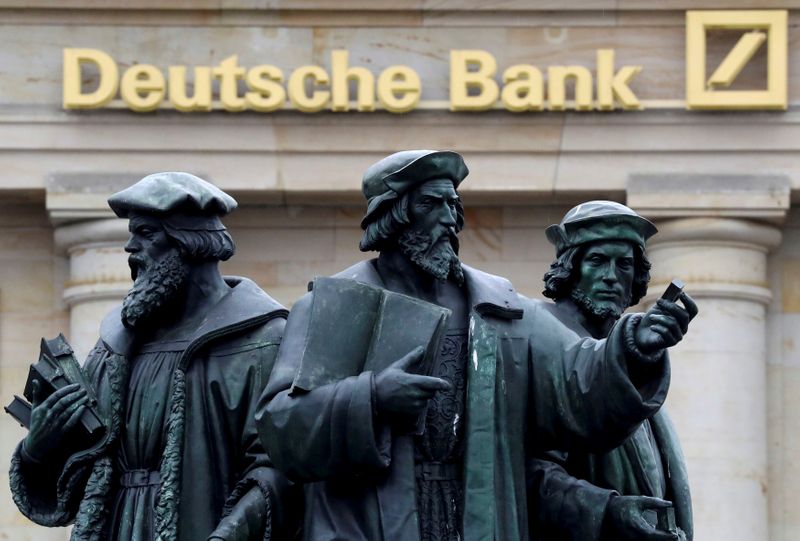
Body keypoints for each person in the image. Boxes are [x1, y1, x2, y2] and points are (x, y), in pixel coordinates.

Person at [256, 150, 697, 541]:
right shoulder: (334, 306)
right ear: (392, 215)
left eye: (454, 205)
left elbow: (576, 381)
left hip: (477, 518)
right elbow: (282, 429)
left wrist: (633, 346)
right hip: (368, 524)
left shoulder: (497, 309)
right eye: (431, 204)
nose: (449, 220)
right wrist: (373, 398)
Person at [10, 172, 299, 541]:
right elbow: (78, 483)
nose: (130, 247)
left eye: (146, 233)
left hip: (204, 525)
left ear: (190, 244)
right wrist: (38, 451)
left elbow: (280, 467)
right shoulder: (114, 347)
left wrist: (231, 533)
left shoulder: (262, 341)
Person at [527, 201, 692, 541]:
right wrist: (608, 511)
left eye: (625, 265)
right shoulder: (540, 339)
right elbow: (524, 472)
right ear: (570, 268)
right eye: (597, 260)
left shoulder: (630, 355)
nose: (611, 276)